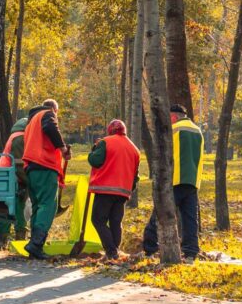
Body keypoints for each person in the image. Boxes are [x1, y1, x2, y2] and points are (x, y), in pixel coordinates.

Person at [141, 104, 205, 262]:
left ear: (174, 117)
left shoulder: (173, 130)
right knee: (190, 219)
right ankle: (190, 252)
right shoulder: (197, 131)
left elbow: (165, 155)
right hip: (192, 180)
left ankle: (149, 247)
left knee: (160, 213)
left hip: (175, 180)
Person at [22, 99, 70, 260]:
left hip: (31, 167)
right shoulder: (48, 114)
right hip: (45, 165)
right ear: (54, 109)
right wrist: (63, 148)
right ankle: (36, 244)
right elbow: (50, 127)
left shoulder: (30, 122)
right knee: (48, 205)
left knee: (38, 206)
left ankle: (33, 245)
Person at [87, 119, 140, 260]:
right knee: (115, 222)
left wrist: (94, 150)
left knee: (98, 220)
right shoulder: (134, 149)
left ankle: (111, 251)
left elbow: (95, 161)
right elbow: (135, 175)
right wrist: (129, 189)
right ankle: (114, 251)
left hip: (105, 189)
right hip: (123, 192)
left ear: (110, 130)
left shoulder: (106, 142)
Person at [0, 117, 29, 247]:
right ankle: (20, 240)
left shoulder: (14, 136)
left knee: (4, 209)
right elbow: (19, 163)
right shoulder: (21, 138)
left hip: (4, 175)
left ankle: (1, 241)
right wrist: (28, 182)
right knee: (18, 208)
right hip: (12, 177)